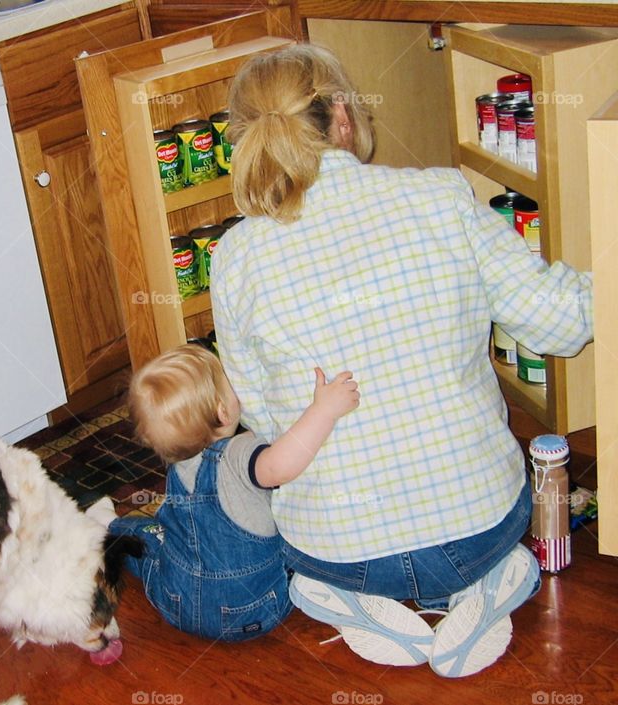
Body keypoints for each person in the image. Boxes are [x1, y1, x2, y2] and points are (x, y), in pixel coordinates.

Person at [211, 44, 593, 677]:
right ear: (340, 114)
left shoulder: (234, 257)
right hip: (483, 528)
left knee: (279, 509)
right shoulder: (442, 196)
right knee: (488, 535)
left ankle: (356, 599)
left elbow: (263, 416)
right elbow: (558, 322)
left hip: (339, 551)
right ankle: (483, 584)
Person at [109, 343, 359, 642]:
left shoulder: (178, 462)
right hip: (253, 612)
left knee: (149, 540)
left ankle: (111, 528)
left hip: (176, 602)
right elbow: (280, 465)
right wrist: (323, 411)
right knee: (298, 562)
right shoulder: (240, 453)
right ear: (223, 411)